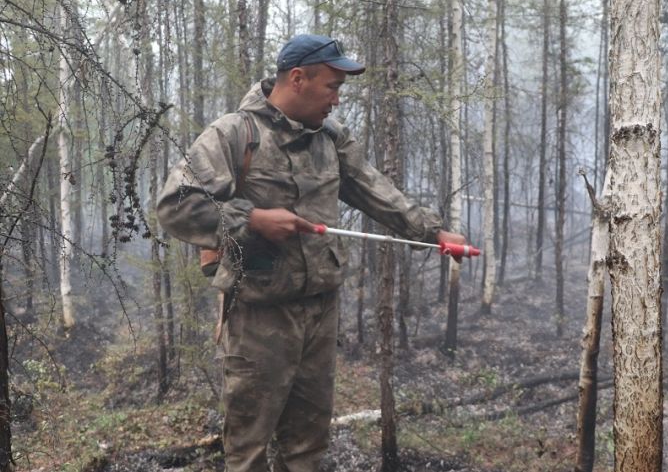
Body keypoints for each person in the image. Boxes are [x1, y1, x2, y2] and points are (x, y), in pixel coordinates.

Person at [157, 34, 466, 472]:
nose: (337, 100)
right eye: (332, 87)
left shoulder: (331, 137)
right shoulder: (234, 134)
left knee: (307, 446)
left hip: (320, 310)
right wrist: (253, 219)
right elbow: (176, 206)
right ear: (298, 79)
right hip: (260, 315)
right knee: (249, 449)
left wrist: (435, 233)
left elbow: (376, 191)